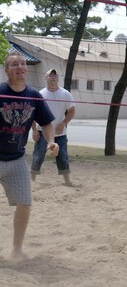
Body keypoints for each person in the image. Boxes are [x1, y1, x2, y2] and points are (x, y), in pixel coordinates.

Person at [0, 53, 59, 260]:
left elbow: (46, 124)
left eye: (23, 64)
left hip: (17, 159)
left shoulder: (34, 95)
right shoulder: (0, 92)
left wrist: (51, 141)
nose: (20, 67)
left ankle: (16, 249)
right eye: (14, 64)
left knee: (24, 204)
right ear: (6, 70)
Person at [31, 69, 75, 186]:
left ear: (58, 78)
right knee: (38, 156)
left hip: (60, 133)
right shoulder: (40, 94)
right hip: (42, 132)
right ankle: (32, 180)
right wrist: (34, 129)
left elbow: (71, 111)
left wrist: (64, 123)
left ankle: (67, 181)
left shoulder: (65, 93)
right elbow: (33, 114)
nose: (53, 77)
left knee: (63, 157)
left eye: (55, 75)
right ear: (46, 78)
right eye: (50, 75)